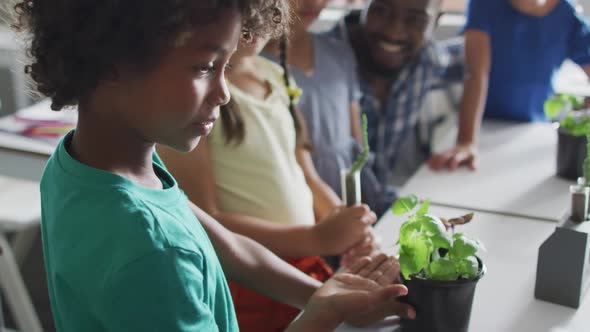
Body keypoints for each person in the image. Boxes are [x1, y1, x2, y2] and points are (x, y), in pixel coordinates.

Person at [14, 0, 416, 330]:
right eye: (205, 67)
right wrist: (322, 317)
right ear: (111, 61)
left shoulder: (86, 163)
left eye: (226, 67)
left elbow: (228, 245)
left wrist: (323, 293)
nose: (224, 94)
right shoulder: (151, 249)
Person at [158, 17, 384, 331]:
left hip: (305, 267)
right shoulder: (195, 103)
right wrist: (317, 237)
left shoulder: (277, 76)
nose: (256, 16)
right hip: (248, 283)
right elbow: (207, 220)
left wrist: (345, 225)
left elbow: (306, 175)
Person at [263, 0, 396, 217]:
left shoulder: (339, 53)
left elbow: (357, 144)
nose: (315, 2)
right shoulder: (256, 68)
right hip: (301, 207)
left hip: (350, 196)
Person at [429, 0, 590, 171]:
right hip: (484, 126)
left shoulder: (567, 14)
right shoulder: (483, 5)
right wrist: (466, 141)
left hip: (533, 129)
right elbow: (476, 75)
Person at [329, 0, 464, 186]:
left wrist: (467, 140)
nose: (394, 31)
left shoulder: (427, 59)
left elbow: (476, 60)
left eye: (415, 19)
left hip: (380, 202)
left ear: (435, 22)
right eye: (382, 11)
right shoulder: (319, 64)